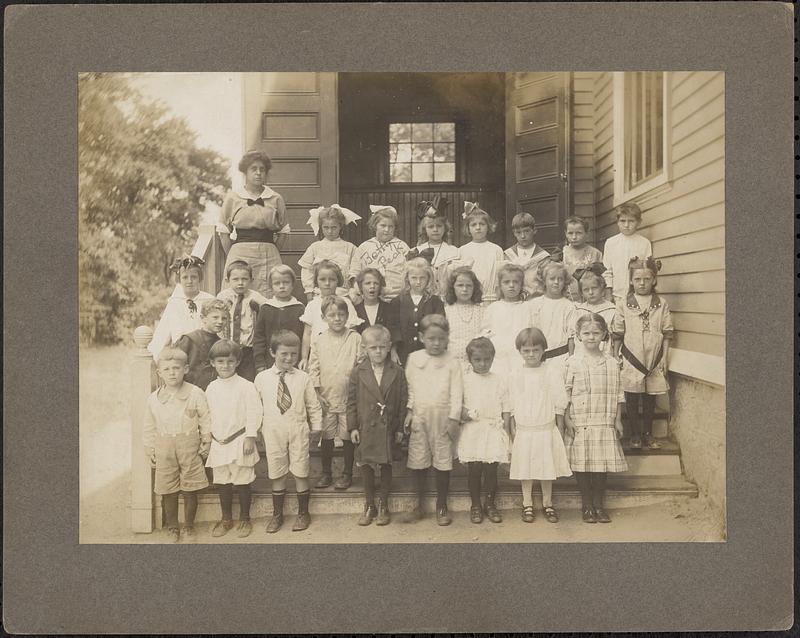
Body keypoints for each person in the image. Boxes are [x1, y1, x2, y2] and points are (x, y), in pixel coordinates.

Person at [254, 330, 323, 533]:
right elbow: (256, 407)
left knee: (301, 469)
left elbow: (313, 406)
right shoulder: (262, 378)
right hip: (272, 429)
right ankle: (277, 515)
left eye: (293, 354)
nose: (289, 358)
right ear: (272, 352)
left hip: (298, 428)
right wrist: (256, 430)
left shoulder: (303, 378)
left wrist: (317, 427)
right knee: (277, 471)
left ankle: (303, 513)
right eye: (284, 353)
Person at [142, 347, 211, 543]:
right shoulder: (154, 399)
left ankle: (188, 526)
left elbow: (205, 417)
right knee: (168, 488)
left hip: (189, 445)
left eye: (176, 368)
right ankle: (173, 527)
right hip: (164, 446)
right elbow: (148, 425)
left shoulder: (195, 393)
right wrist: (150, 448)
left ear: (186, 369)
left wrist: (206, 440)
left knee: (190, 488)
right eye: (167, 369)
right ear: (159, 373)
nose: (172, 373)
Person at [563, 314, 627, 524]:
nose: (591, 337)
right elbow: (566, 393)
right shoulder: (572, 362)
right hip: (581, 420)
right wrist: (567, 419)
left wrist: (617, 419)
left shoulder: (611, 362)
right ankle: (587, 505)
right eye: (586, 333)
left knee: (600, 465)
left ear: (604, 335)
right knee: (583, 464)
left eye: (596, 333)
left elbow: (618, 393)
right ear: (578, 336)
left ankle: (599, 505)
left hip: (604, 420)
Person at [403, 314, 463, 526]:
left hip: (443, 418)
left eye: (441, 338)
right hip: (420, 417)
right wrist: (410, 411)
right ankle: (418, 504)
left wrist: (454, 418)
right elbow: (410, 388)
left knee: (442, 462)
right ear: (421, 337)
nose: (436, 343)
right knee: (419, 461)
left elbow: (457, 393)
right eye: (431, 339)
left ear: (447, 338)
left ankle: (441, 505)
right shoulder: (414, 359)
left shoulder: (453, 361)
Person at [509, 327, 572, 524]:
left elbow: (559, 401)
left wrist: (559, 427)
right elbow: (511, 402)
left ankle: (548, 502)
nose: (531, 354)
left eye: (535, 350)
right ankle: (527, 503)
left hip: (545, 427)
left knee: (546, 467)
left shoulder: (551, 372)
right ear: (519, 351)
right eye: (526, 350)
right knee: (525, 468)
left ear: (543, 350)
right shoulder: (516, 373)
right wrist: (512, 426)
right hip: (525, 428)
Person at [347, 325, 408, 526]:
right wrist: (353, 427)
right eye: (373, 348)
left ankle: (383, 503)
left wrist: (399, 429)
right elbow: (352, 401)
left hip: (388, 426)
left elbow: (402, 401)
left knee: (385, 463)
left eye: (383, 347)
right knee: (366, 464)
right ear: (365, 349)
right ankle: (369, 503)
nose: (379, 352)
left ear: (389, 347)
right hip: (366, 425)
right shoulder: (358, 372)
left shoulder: (397, 372)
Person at [611, 257, 673, 450]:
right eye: (637, 279)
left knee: (649, 397)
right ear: (631, 280)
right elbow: (618, 333)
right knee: (631, 396)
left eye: (647, 279)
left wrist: (664, 357)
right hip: (631, 357)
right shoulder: (624, 304)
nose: (642, 283)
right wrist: (615, 356)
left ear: (654, 280)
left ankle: (647, 433)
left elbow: (667, 332)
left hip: (653, 359)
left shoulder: (660, 304)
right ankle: (635, 434)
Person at [204, 340, 262, 539]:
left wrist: (250, 437)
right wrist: (208, 438)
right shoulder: (211, 388)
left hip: (240, 441)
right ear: (212, 363)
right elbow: (207, 415)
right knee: (222, 482)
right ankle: (226, 518)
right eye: (220, 361)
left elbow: (254, 412)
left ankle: (245, 518)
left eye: (230, 361)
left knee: (242, 481)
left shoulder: (246, 386)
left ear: (237, 362)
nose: (225, 366)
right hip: (219, 442)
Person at [217, 150, 290, 298]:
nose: (258, 173)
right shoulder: (233, 197)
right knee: (238, 295)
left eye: (262, 170)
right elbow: (224, 231)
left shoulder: (275, 198)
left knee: (270, 295)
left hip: (269, 254)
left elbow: (283, 231)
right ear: (245, 172)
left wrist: (272, 250)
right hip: (240, 253)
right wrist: (234, 254)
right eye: (253, 169)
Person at [308, 297, 363, 490]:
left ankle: (347, 473)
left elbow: (361, 365)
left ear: (347, 316)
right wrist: (317, 393)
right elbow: (313, 367)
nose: (337, 318)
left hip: (349, 398)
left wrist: (356, 396)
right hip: (327, 399)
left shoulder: (355, 338)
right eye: (332, 315)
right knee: (328, 437)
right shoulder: (319, 339)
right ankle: (326, 473)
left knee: (348, 437)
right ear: (324, 317)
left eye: (341, 314)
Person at [457, 338, 511, 524]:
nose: (482, 364)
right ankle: (475, 505)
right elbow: (457, 406)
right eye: (478, 360)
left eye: (487, 360)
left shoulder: (498, 380)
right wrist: (467, 414)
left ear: (493, 358)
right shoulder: (465, 381)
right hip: (473, 430)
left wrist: (505, 429)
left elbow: (505, 406)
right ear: (470, 360)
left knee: (491, 470)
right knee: (475, 470)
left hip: (492, 429)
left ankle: (490, 503)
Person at [299, 260, 362, 369]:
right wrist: (304, 358)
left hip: (342, 355)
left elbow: (353, 331)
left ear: (338, 281)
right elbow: (307, 334)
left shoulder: (346, 303)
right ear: (316, 281)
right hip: (318, 356)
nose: (327, 283)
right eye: (322, 279)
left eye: (332, 279)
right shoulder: (312, 305)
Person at [148, 255, 215, 357]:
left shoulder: (209, 300)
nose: (189, 281)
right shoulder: (175, 303)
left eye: (193, 277)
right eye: (185, 277)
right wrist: (153, 355)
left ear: (200, 278)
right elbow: (163, 333)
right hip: (181, 352)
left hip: (204, 352)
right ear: (179, 280)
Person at [387, 257, 445, 366]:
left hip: (428, 355)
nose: (418, 282)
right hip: (403, 355)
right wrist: (393, 351)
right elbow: (393, 327)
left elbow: (439, 327)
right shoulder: (398, 301)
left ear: (428, 278)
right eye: (414, 278)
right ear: (407, 278)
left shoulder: (435, 302)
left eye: (422, 278)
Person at [217, 260, 268, 382]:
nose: (240, 283)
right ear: (227, 280)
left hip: (247, 349)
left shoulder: (256, 297)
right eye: (235, 279)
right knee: (226, 378)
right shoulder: (222, 297)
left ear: (251, 280)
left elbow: (268, 309)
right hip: (226, 347)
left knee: (247, 379)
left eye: (244, 279)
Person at [298, 204, 360, 300]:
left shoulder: (350, 248)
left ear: (340, 227)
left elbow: (355, 271)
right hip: (319, 294)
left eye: (334, 227)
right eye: (326, 227)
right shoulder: (315, 247)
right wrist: (309, 293)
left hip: (343, 295)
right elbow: (307, 272)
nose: (330, 231)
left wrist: (353, 291)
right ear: (321, 227)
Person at [349, 205, 410, 301]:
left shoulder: (403, 247)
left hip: (398, 298)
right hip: (370, 299)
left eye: (390, 226)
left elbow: (410, 274)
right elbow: (354, 272)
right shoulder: (364, 247)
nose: (386, 230)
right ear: (374, 226)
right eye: (383, 225)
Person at [252, 265, 305, 375]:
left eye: (286, 282)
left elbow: (304, 338)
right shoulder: (266, 308)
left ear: (293, 284)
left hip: (293, 362)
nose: (282, 286)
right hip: (270, 362)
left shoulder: (300, 308)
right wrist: (260, 363)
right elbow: (259, 337)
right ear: (271, 286)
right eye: (277, 283)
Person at [481, 263, 533, 376]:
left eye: (515, 282)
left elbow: (533, 332)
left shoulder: (528, 308)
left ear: (521, 285)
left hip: (521, 357)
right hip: (499, 359)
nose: (511, 285)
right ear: (499, 286)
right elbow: (485, 333)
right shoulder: (493, 308)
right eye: (506, 282)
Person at [527, 261, 579, 369]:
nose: (556, 282)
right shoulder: (534, 304)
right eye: (552, 279)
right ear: (544, 281)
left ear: (565, 282)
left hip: (560, 359)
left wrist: (571, 359)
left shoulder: (569, 306)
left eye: (560, 279)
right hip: (536, 359)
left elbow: (571, 337)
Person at [406, 197, 459, 298]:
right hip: (425, 299)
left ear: (445, 228)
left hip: (447, 299)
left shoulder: (454, 252)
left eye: (439, 226)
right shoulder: (417, 251)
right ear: (424, 229)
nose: (435, 229)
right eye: (430, 227)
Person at [601, 202, 652, 302]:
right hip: (617, 295)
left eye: (631, 221)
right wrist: (608, 293)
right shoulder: (611, 243)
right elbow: (607, 270)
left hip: (638, 294)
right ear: (617, 222)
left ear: (639, 222)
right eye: (622, 221)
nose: (626, 225)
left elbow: (648, 270)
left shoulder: (644, 243)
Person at [457, 201, 504, 305]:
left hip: (492, 300)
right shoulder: (462, 250)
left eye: (482, 224)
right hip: (470, 300)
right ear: (468, 228)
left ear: (488, 226)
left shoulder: (496, 250)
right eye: (473, 225)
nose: (478, 228)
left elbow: (501, 276)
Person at [174, 299, 227, 390]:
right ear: (203, 318)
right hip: (188, 391)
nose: (220, 321)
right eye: (215, 317)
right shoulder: (188, 340)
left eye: (224, 318)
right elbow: (175, 366)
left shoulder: (221, 344)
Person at [443, 266, 485, 371]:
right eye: (460, 285)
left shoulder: (483, 311)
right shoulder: (446, 311)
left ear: (474, 288)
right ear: (453, 288)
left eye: (469, 286)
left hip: (478, 364)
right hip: (452, 365)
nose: (465, 289)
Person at [573, 263, 616, 358]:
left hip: (605, 355)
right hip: (582, 356)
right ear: (581, 292)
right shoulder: (579, 310)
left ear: (602, 288)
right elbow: (574, 336)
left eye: (594, 288)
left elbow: (615, 338)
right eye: (586, 290)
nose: (591, 293)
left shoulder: (611, 310)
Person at [503, 212, 551, 298]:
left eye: (526, 231)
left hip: (536, 300)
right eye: (518, 232)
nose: (523, 236)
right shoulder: (508, 255)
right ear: (514, 233)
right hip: (513, 300)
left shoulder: (542, 257)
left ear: (534, 230)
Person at [561, 216, 603, 302]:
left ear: (587, 233)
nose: (574, 237)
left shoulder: (595, 253)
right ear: (565, 233)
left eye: (579, 233)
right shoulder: (562, 253)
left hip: (590, 299)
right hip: (568, 299)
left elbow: (601, 279)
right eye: (570, 233)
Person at [352, 268, 390, 335]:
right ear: (360, 287)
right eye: (368, 283)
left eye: (376, 283)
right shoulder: (355, 310)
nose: (372, 286)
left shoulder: (389, 308)